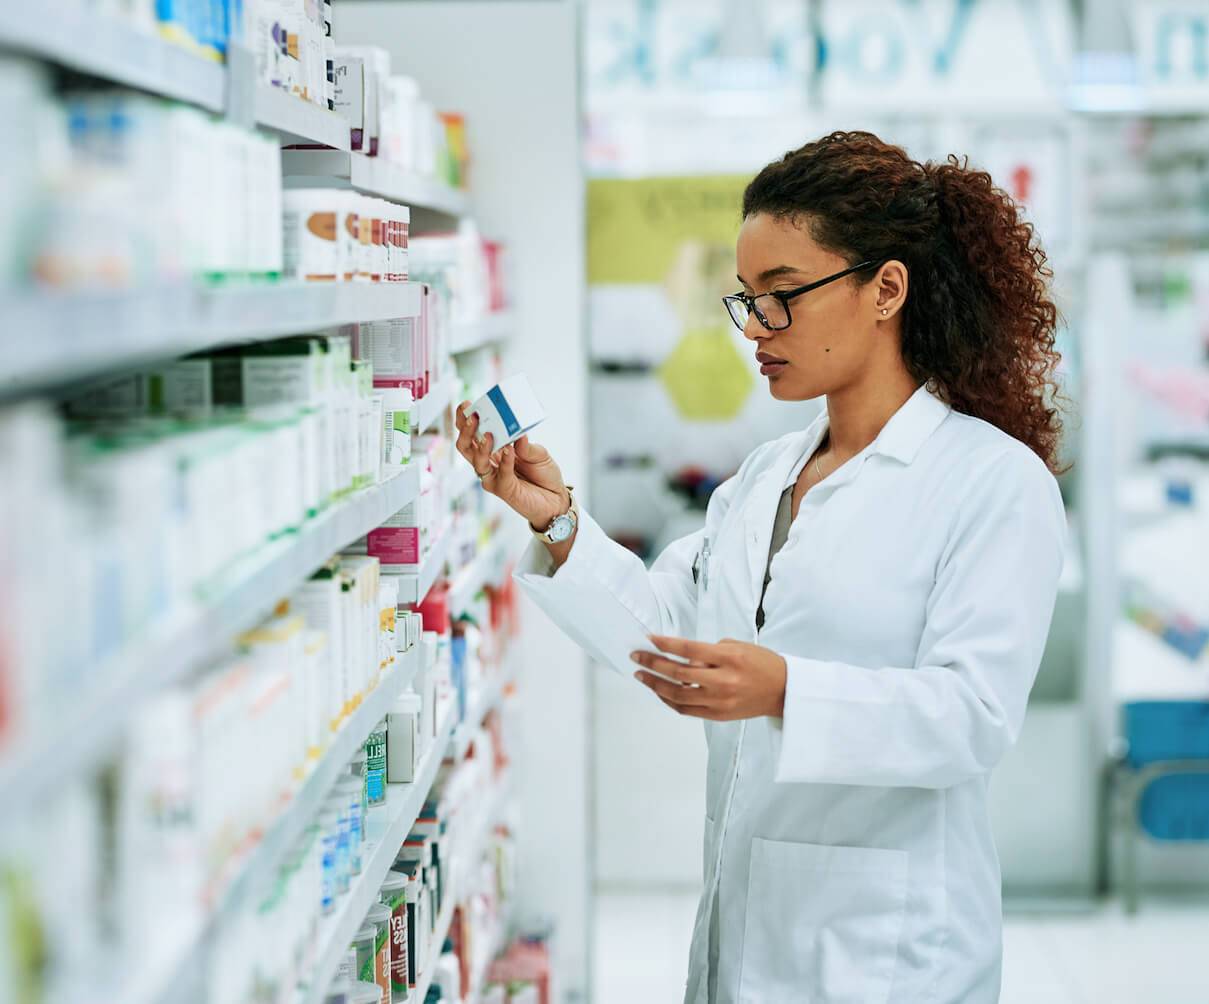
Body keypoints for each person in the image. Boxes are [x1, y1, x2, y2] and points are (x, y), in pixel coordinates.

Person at [454, 131, 1066, 1004]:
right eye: (747, 300)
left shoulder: (991, 482)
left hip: (887, 954)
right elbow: (666, 625)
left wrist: (785, 690)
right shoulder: (765, 476)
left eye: (783, 296)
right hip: (744, 929)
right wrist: (556, 521)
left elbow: (971, 716)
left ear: (885, 289)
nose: (757, 330)